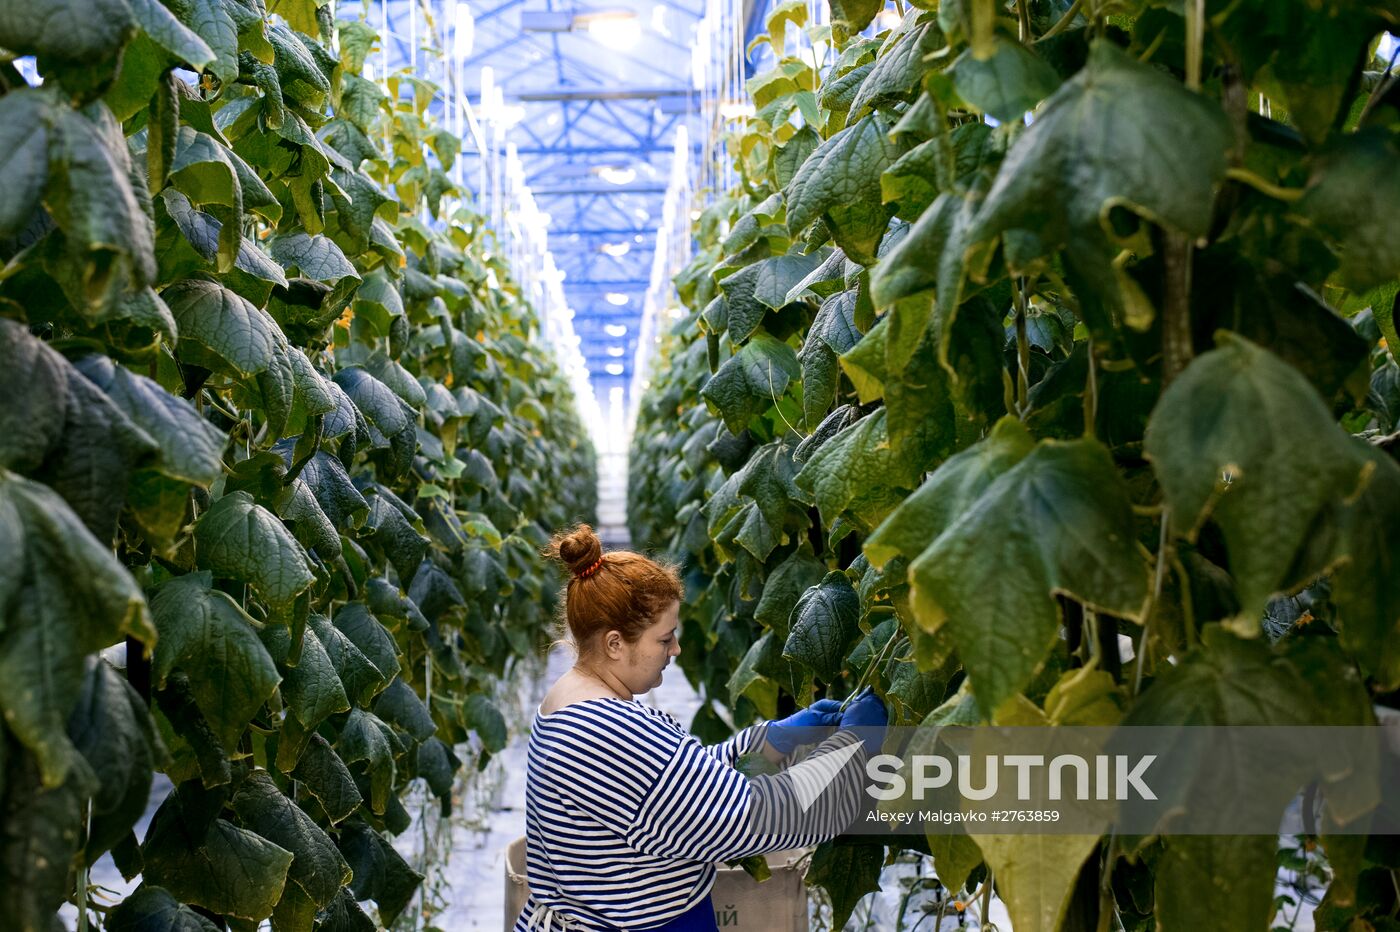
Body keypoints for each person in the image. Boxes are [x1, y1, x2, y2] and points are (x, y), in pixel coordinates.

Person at [515, 524, 888, 932]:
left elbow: (664, 790)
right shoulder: (605, 731)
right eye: (664, 639)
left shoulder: (570, 700)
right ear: (615, 644)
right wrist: (856, 747)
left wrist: (766, 741)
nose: (675, 650)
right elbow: (761, 818)